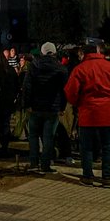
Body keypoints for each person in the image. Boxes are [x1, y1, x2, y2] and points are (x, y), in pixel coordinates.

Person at [64, 43, 110, 186]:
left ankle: (88, 176)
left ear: (83, 54)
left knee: (86, 146)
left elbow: (70, 92)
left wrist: (77, 104)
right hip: (109, 113)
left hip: (88, 113)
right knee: (108, 146)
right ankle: (107, 177)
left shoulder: (80, 69)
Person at [22, 42, 68, 173]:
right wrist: (62, 107)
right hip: (52, 108)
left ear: (42, 52)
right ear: (54, 52)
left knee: (33, 135)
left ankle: (33, 163)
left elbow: (27, 87)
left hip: (35, 107)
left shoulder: (33, 66)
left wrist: (27, 104)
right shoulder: (61, 68)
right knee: (48, 137)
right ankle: (45, 165)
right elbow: (64, 90)